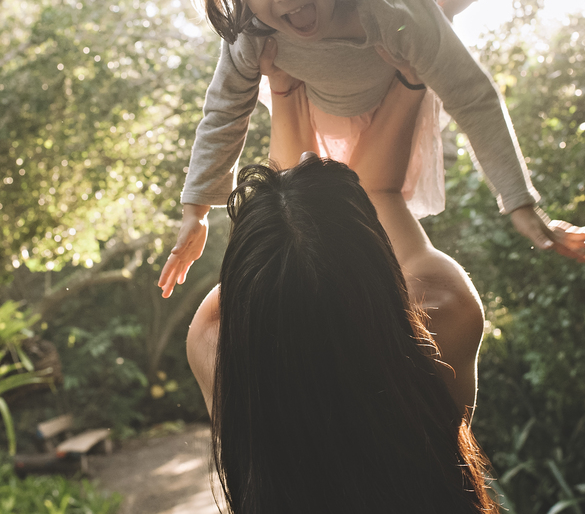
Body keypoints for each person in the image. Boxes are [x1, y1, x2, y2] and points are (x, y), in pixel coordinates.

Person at [158, 0, 585, 302]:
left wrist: (518, 199)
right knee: (308, 188)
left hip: (396, 80)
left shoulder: (392, 9)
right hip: (321, 102)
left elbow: (471, 96)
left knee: (412, 18)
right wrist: (196, 209)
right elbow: (225, 110)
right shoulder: (253, 31)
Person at [185, 156, 497, 514]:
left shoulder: (211, 340)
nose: (302, 154)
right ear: (375, 260)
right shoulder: (449, 313)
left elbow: (264, 290)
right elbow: (384, 192)